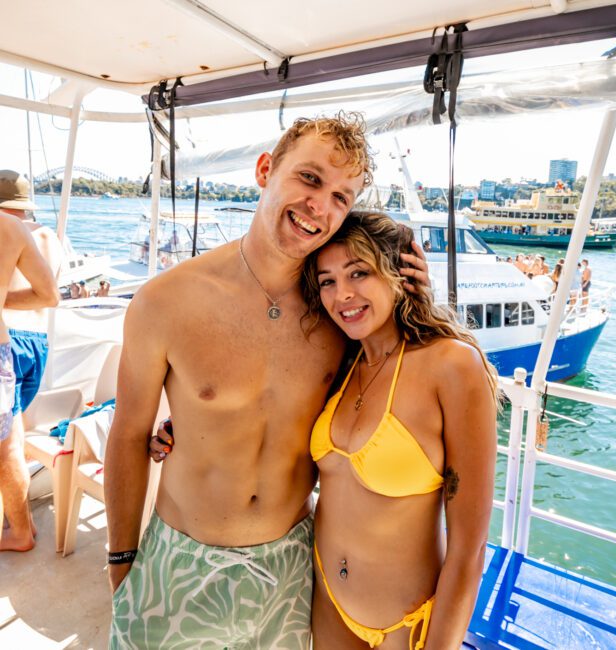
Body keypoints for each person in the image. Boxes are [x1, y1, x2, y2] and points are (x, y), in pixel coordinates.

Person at [105, 114, 430, 649]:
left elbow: (398, 393)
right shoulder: (165, 301)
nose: (320, 207)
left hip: (292, 563)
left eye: (341, 197)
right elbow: (126, 435)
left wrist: (417, 299)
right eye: (310, 178)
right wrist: (121, 561)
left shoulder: (339, 314)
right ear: (265, 170)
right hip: (181, 559)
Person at [153, 211, 498, 648]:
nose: (343, 295)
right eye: (328, 280)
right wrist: (185, 427)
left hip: (406, 622)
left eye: (360, 273)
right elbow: (270, 420)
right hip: (325, 603)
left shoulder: (451, 366)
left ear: (399, 275)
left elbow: (469, 549)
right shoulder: (340, 361)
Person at [0, 176, 60, 552]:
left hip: (13, 341)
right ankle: (20, 525)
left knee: (8, 447)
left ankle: (20, 528)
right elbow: (50, 294)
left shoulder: (11, 228)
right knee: (11, 441)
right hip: (34, 343)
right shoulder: (42, 234)